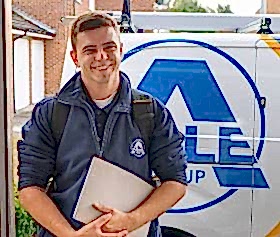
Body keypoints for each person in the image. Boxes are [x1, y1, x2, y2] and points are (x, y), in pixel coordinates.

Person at [17, 11, 188, 237]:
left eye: (109, 47)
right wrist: (73, 236)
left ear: (121, 50)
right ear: (75, 57)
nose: (101, 56)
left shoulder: (150, 112)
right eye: (90, 50)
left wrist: (131, 220)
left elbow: (176, 182)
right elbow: (30, 189)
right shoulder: (50, 113)